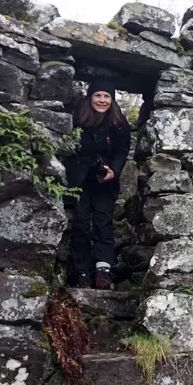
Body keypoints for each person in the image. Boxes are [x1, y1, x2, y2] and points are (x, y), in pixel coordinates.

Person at [64, 79, 131, 290]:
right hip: (79, 179)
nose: (102, 100)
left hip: (105, 182)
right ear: (90, 96)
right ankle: (81, 271)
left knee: (103, 222)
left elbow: (122, 151)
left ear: (112, 99)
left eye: (107, 96)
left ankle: (104, 271)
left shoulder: (119, 122)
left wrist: (114, 171)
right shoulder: (77, 117)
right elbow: (69, 147)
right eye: (98, 95)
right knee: (81, 223)